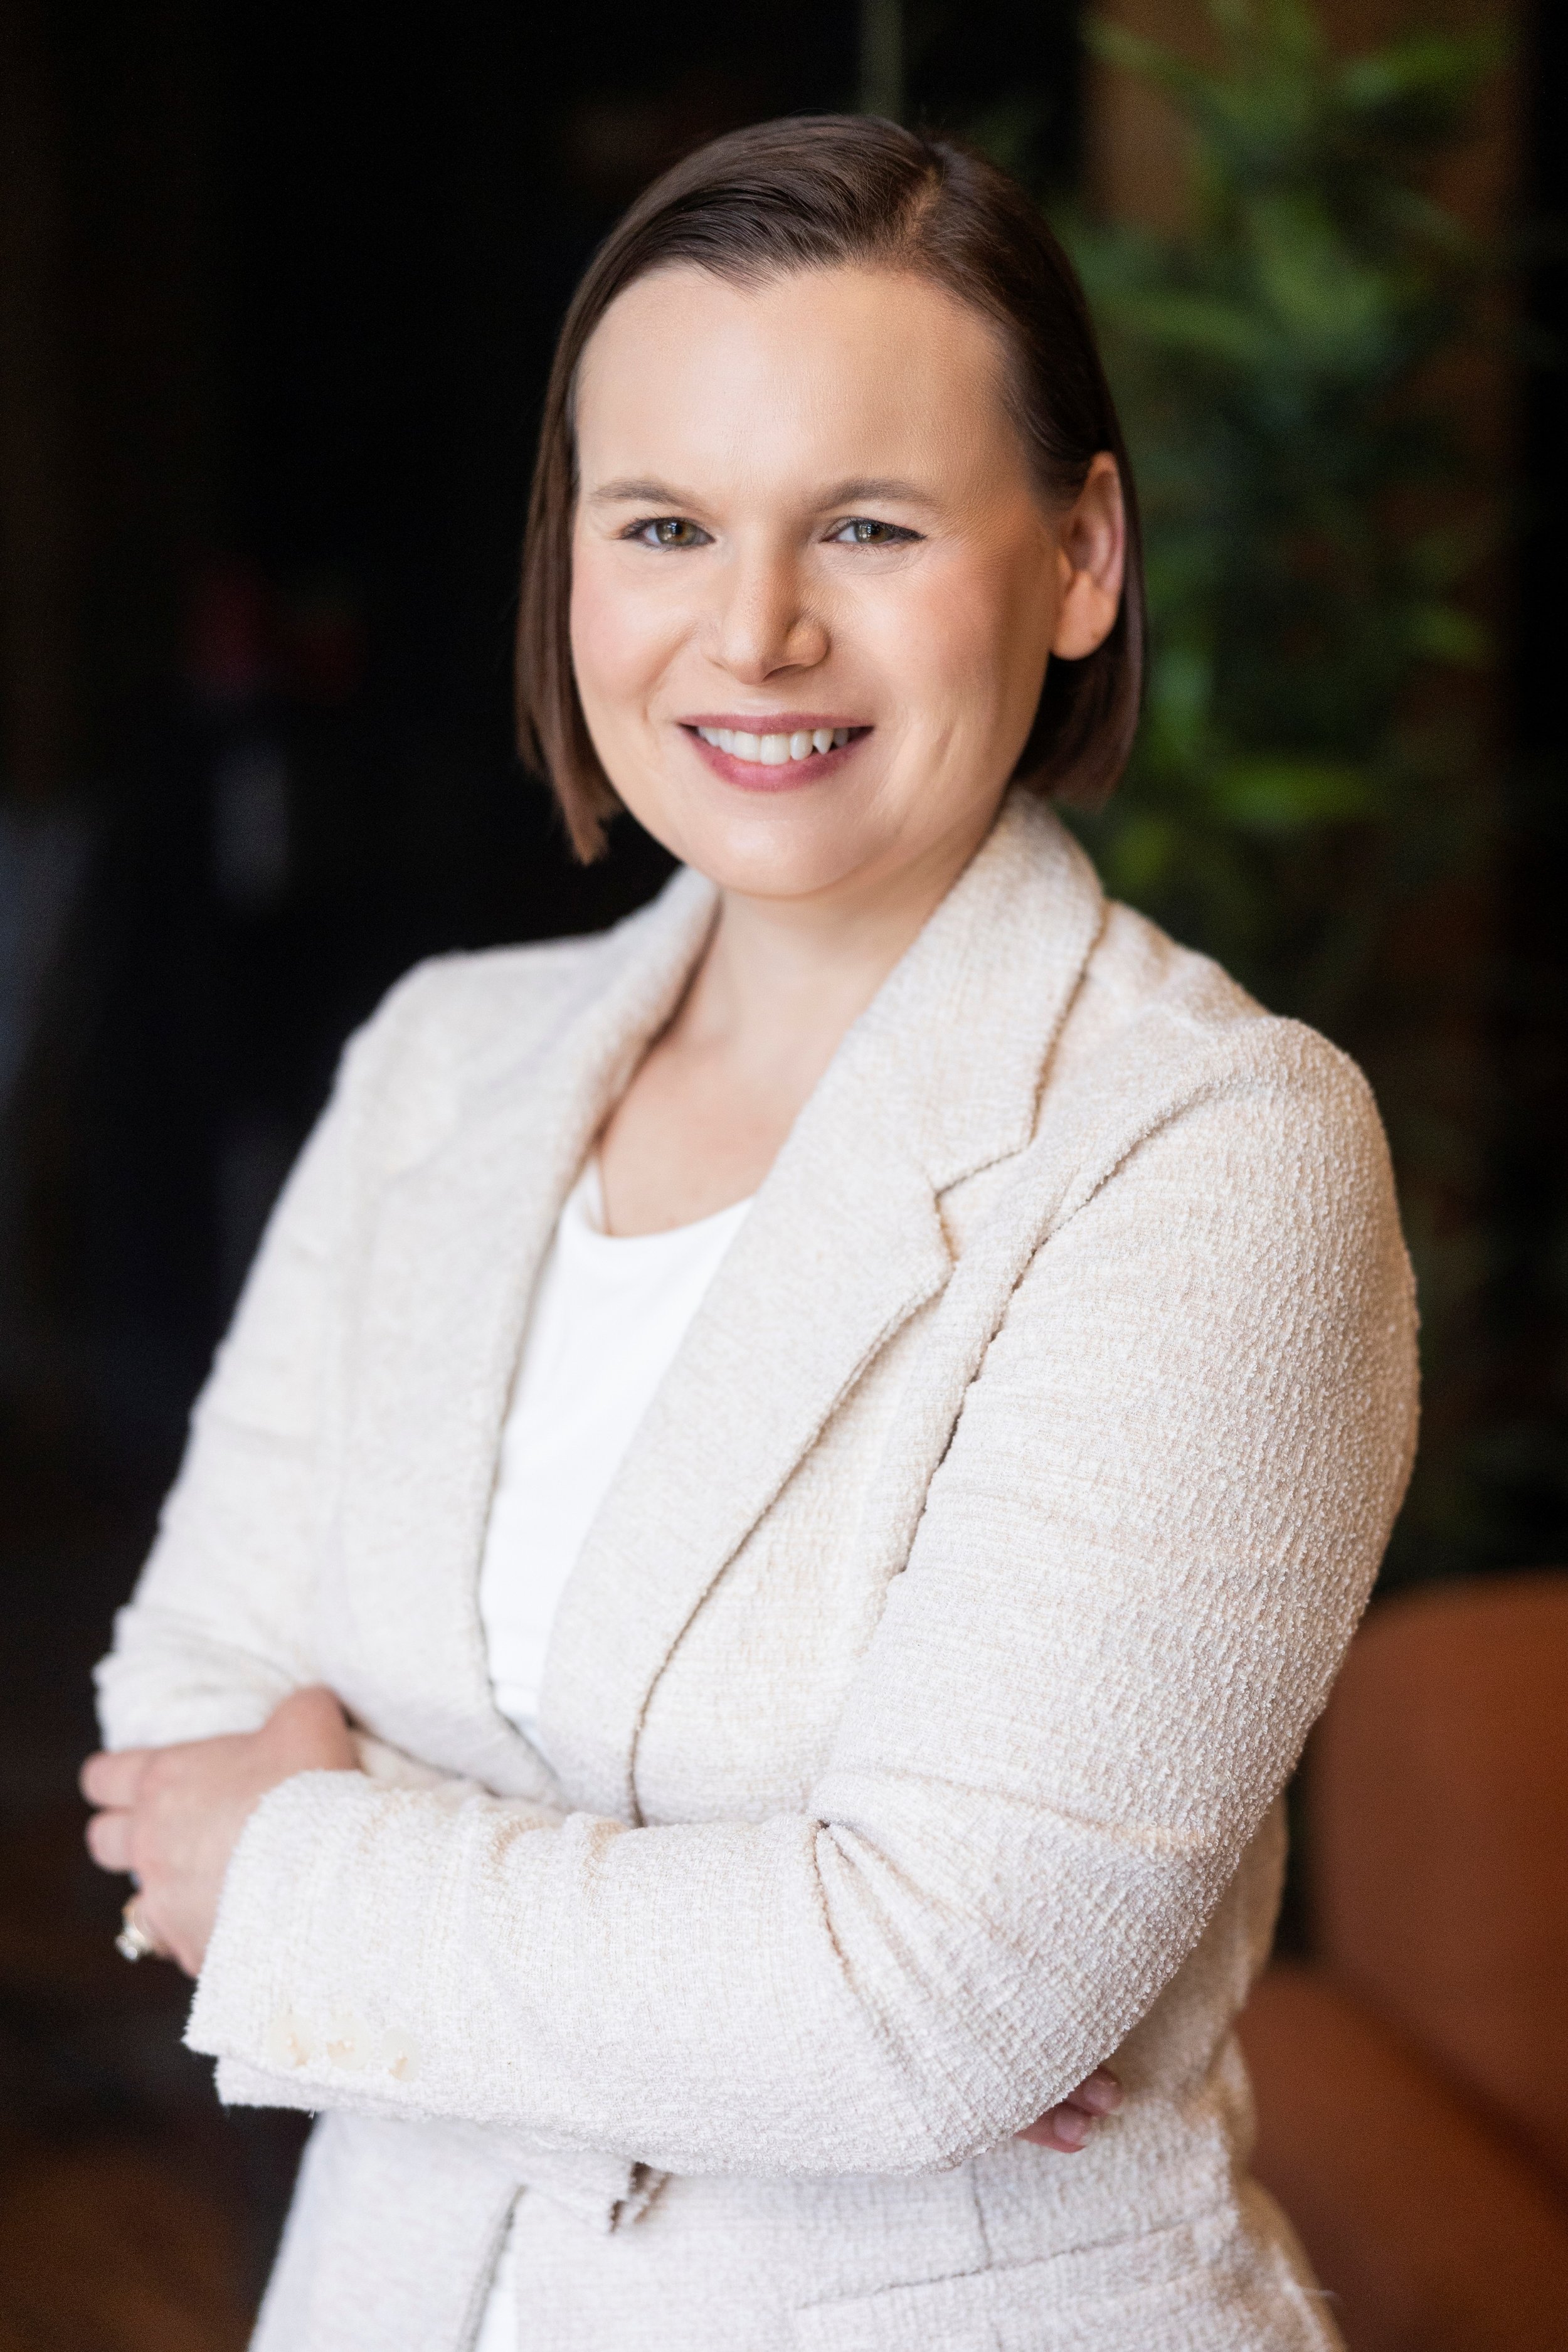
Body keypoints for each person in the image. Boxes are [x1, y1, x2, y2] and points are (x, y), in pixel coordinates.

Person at [81, 117, 1417, 2351]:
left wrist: (327, 1880)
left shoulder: (1208, 1151)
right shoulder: (444, 1066)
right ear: (573, 563)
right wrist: (786, 1998)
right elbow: (178, 1729)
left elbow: (921, 1998)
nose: (754, 627)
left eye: (869, 525)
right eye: (666, 524)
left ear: (1078, 555)